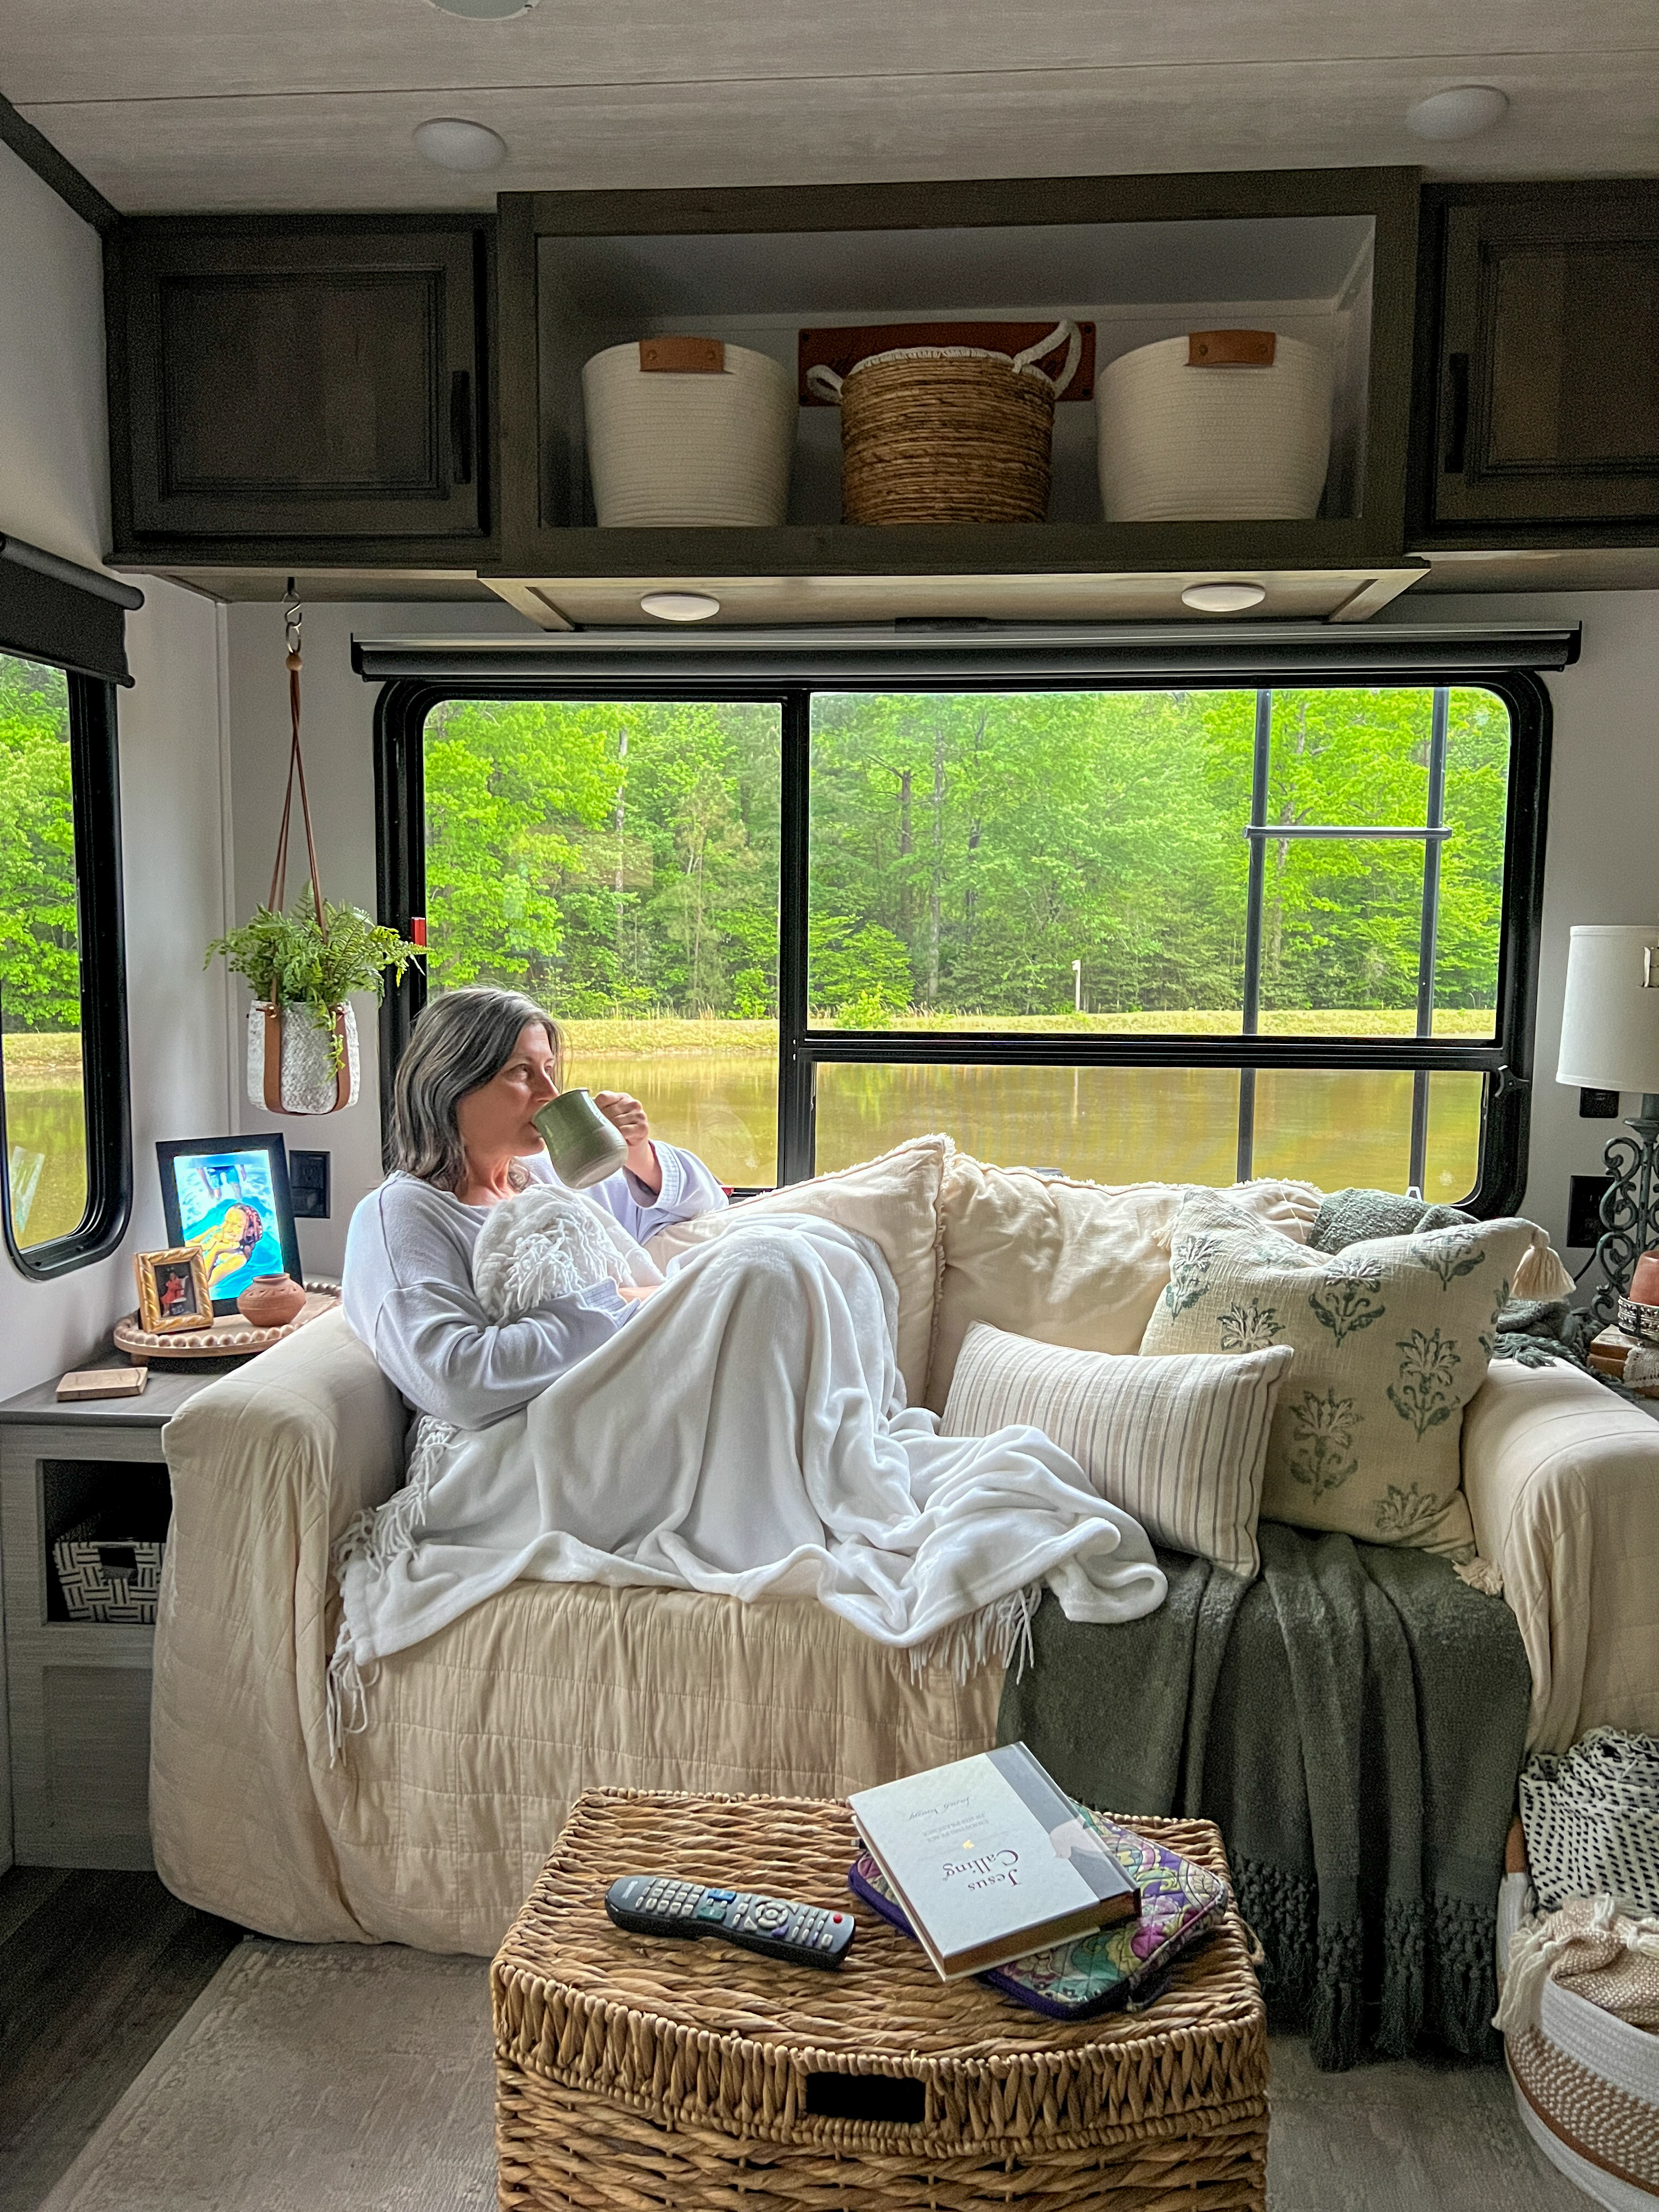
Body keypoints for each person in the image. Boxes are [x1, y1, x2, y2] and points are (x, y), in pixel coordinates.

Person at [342, 987, 726, 1427]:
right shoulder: (403, 1216)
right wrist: (627, 1304)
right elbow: (455, 1382)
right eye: (522, 1073)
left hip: (641, 1389)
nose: (550, 1092)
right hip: (542, 1439)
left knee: (786, 1253)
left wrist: (637, 1154)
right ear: (451, 1085)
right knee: (764, 1270)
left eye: (548, 1069)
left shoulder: (545, 1176)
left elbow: (708, 1203)